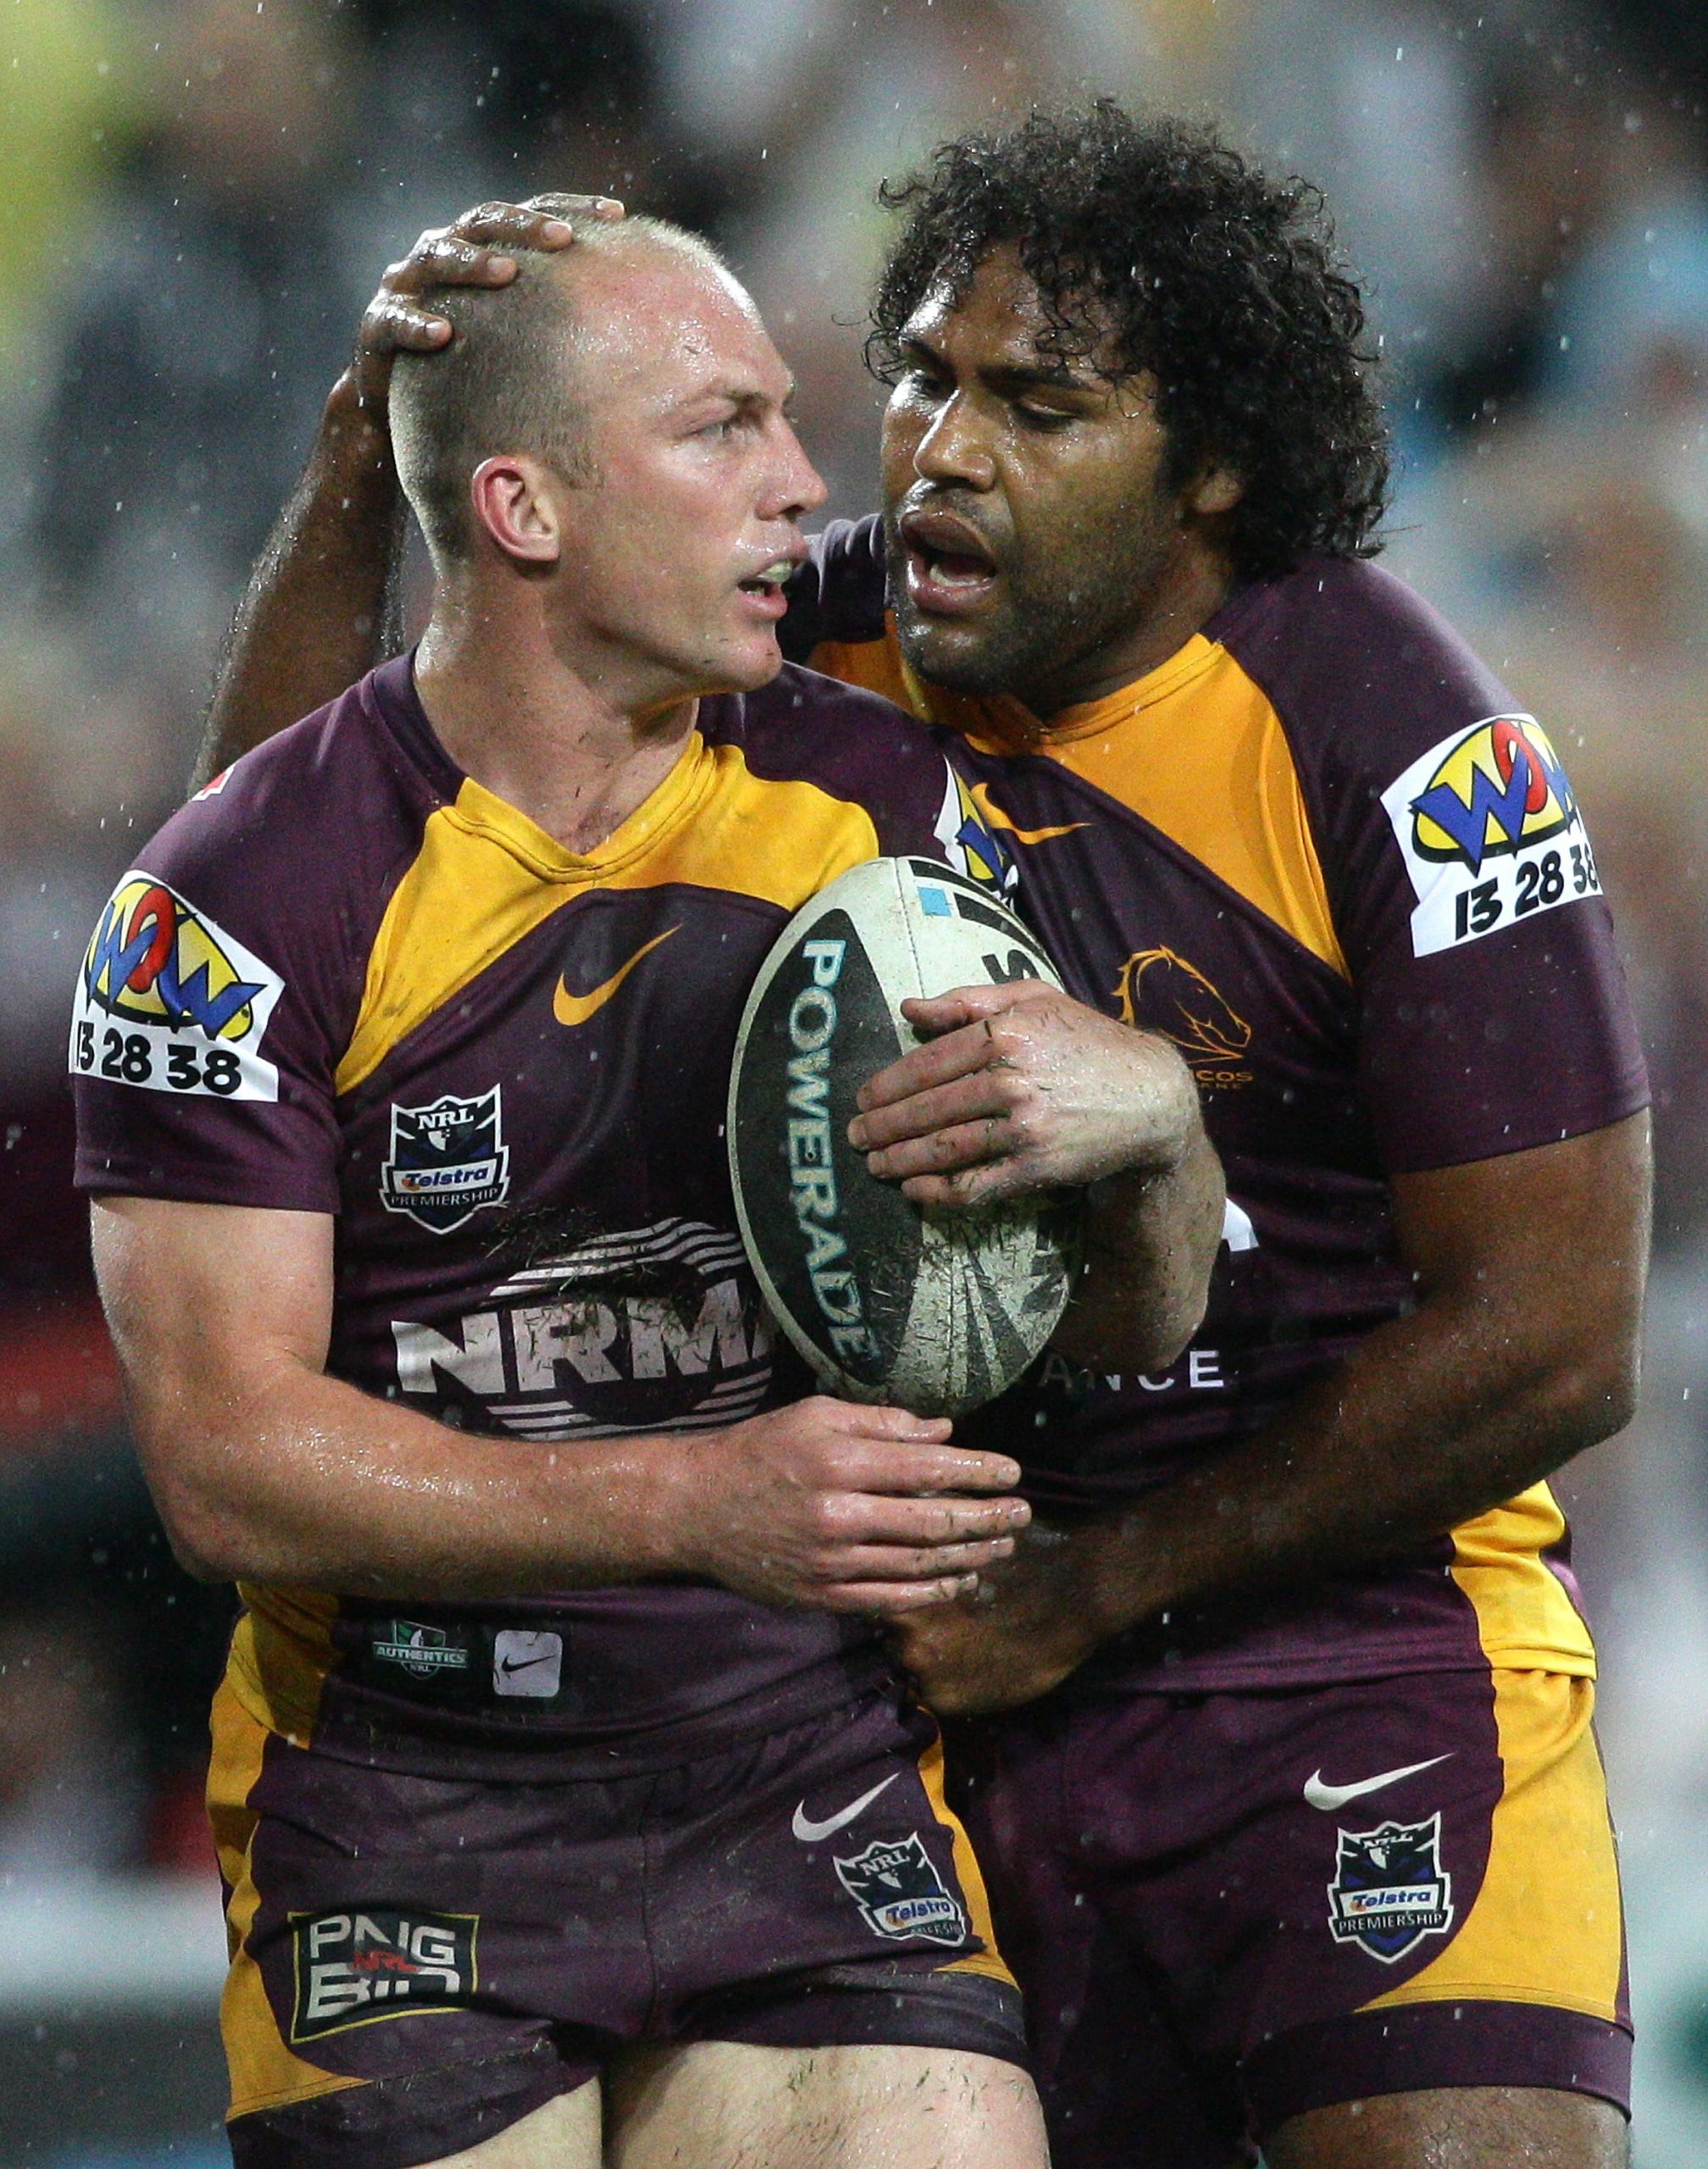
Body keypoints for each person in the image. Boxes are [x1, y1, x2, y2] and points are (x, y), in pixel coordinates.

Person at [194, 108, 1652, 2169]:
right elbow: (300, 878)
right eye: (923, 376)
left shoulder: (1406, 745)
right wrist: (368, 471)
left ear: (1207, 468)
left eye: (1036, 406)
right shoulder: (819, 627)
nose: (932, 450)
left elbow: (1561, 1334)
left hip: (1346, 1645)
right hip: (923, 1652)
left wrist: (1113, 1575)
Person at [75, 210, 1226, 2169]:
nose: (807, 479)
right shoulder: (228, 904)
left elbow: (1122, 1322)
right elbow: (221, 1460)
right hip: (408, 1798)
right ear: (521, 507)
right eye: (722, 429)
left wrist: (1159, 1137)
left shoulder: (880, 809)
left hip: (802, 1763)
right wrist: (699, 1499)